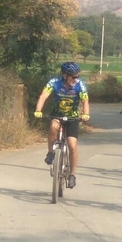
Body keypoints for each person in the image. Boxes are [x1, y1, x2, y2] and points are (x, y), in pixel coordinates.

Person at [34, 61, 90, 189]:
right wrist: (38, 110)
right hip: (57, 115)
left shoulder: (79, 84)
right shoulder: (54, 83)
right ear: (65, 75)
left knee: (72, 144)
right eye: (73, 76)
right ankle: (50, 153)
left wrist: (86, 114)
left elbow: (85, 100)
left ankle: (72, 174)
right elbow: (43, 96)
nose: (76, 79)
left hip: (73, 117)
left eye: (77, 76)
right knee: (53, 127)